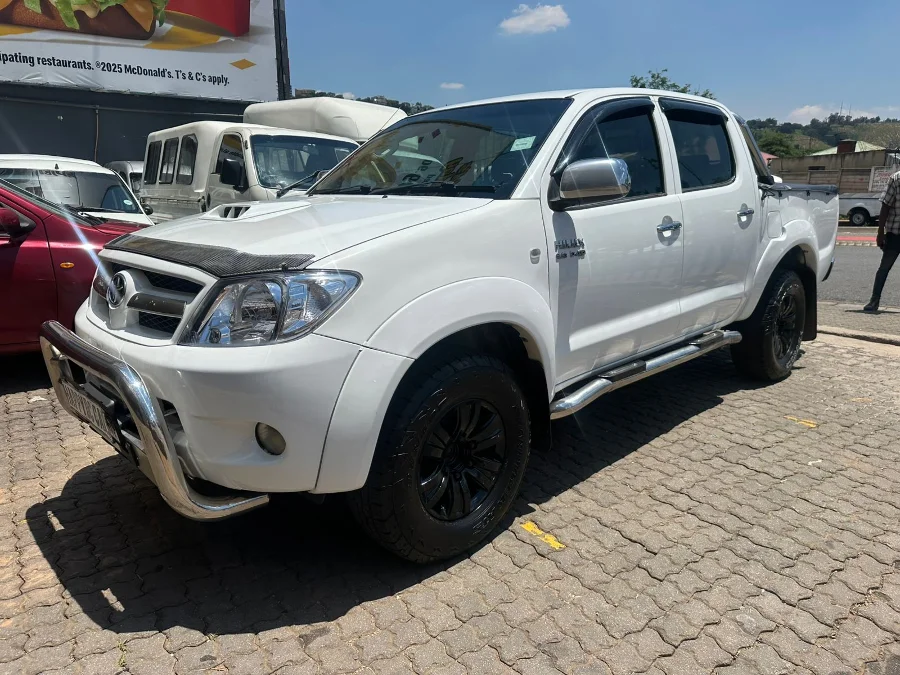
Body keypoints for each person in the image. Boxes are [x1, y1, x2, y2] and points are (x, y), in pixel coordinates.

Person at [864, 169, 900, 312]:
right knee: (884, 268)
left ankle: (874, 302)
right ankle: (874, 300)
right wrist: (880, 233)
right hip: (894, 234)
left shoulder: (896, 178)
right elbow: (885, 206)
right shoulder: (896, 178)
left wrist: (880, 233)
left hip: (894, 233)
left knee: (884, 269)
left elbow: (885, 205)